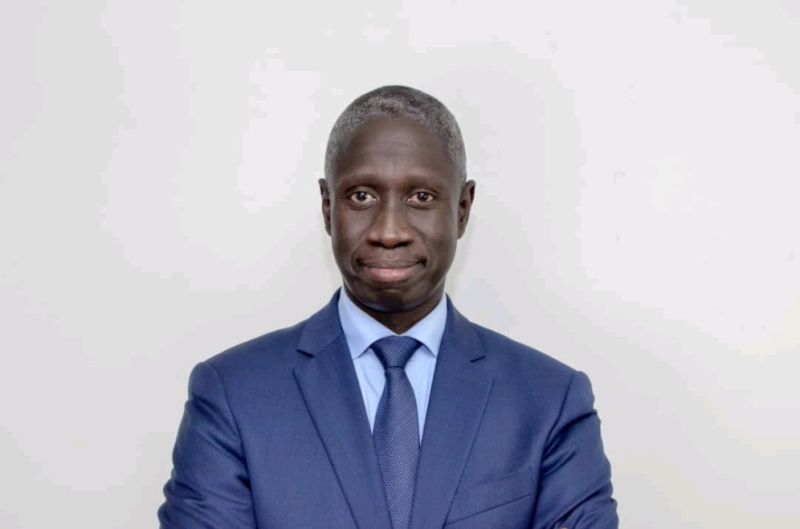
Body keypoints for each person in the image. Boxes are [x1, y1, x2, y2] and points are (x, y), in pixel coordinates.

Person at [158, 85, 618, 529]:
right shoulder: (233, 395)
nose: (389, 231)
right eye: (362, 196)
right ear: (327, 207)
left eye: (421, 197)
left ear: (462, 208)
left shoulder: (550, 401)